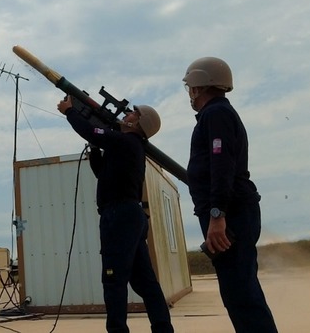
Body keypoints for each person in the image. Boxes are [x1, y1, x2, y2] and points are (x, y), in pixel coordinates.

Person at [57, 95, 174, 333]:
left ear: (137, 125)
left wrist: (70, 111)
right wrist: (95, 153)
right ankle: (163, 329)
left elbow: (91, 132)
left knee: (113, 280)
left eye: (133, 114)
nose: (127, 115)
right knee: (145, 282)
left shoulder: (126, 142)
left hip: (120, 216)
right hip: (129, 216)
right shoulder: (126, 146)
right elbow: (103, 173)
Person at [183, 56, 278, 332]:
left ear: (199, 86)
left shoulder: (216, 114)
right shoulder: (216, 115)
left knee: (241, 293)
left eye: (191, 87)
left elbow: (221, 162)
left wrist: (217, 214)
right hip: (231, 212)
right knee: (238, 292)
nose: (189, 93)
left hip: (230, 214)